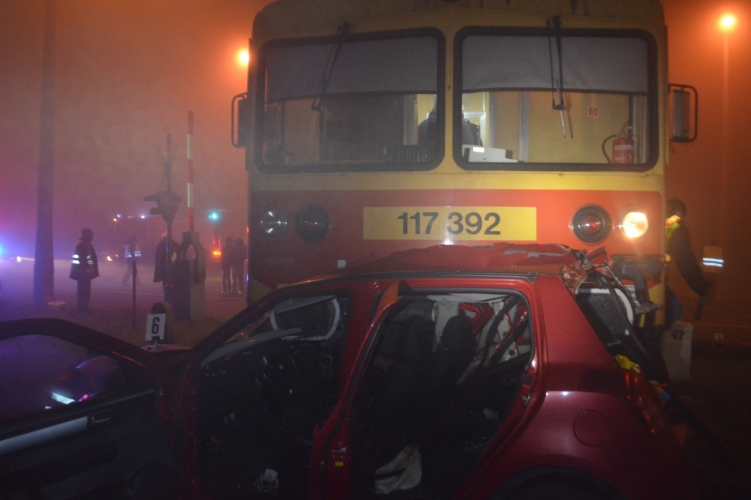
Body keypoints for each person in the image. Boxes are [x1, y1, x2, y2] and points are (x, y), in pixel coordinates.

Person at [665, 198, 710, 327]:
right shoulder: (678, 227)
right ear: (679, 212)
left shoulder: (654, 221)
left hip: (635, 273)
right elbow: (685, 260)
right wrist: (702, 287)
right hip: (654, 277)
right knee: (674, 310)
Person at [69, 228, 99, 314]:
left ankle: (83, 308)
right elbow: (84, 260)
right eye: (91, 235)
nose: (92, 237)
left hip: (82, 272)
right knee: (84, 292)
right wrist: (88, 271)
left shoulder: (84, 244)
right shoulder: (83, 245)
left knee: (84, 291)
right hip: (83, 273)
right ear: (86, 235)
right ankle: (82, 309)